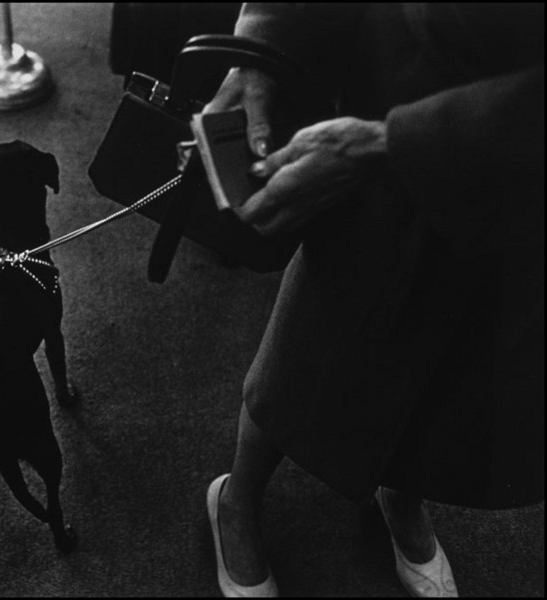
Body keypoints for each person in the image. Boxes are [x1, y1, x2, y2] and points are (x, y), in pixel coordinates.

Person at [202, 3, 544, 597]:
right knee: (316, 331)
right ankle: (238, 498)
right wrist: (261, 43)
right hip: (390, 83)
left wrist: (404, 142)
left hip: (518, 168)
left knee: (457, 372)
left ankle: (403, 495)